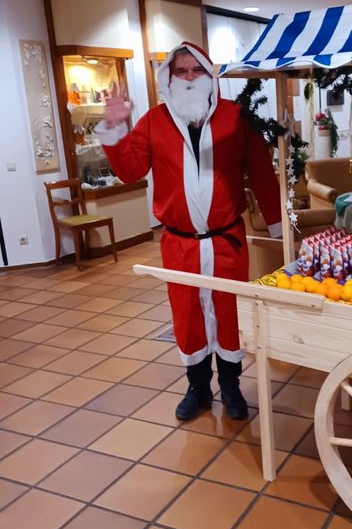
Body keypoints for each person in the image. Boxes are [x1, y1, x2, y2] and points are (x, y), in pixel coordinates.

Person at [95, 42, 282, 421]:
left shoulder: (236, 117)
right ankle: (198, 388)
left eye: (196, 70)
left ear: (210, 75)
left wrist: (278, 227)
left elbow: (263, 172)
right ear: (169, 77)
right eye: (181, 71)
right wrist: (115, 129)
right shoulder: (154, 122)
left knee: (229, 313)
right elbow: (130, 171)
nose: (189, 78)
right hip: (179, 245)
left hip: (227, 241)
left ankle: (231, 386)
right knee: (187, 316)